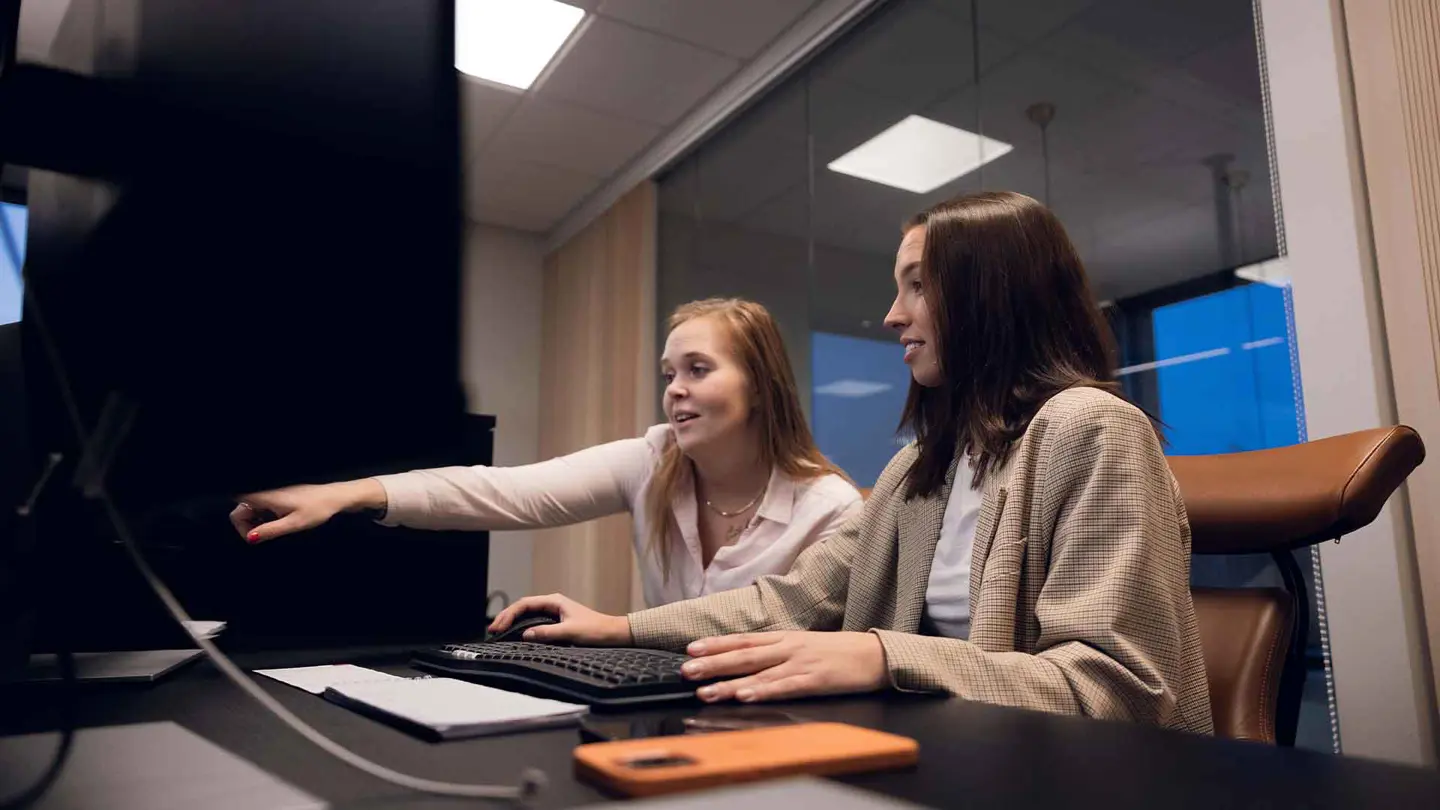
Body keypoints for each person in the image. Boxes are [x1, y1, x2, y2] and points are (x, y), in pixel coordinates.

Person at [489, 191, 1214, 734]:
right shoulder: (918, 472)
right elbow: (792, 601)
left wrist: (881, 657)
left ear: (993, 294)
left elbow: (1120, 689)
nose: (893, 314)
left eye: (918, 284)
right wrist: (619, 628)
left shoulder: (1092, 430)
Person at [229, 298, 862, 608]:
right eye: (668, 373)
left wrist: (610, 630)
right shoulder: (653, 460)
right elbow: (504, 491)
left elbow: (782, 632)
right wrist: (345, 494)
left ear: (760, 385)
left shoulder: (826, 507)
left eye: (698, 369)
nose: (675, 390)